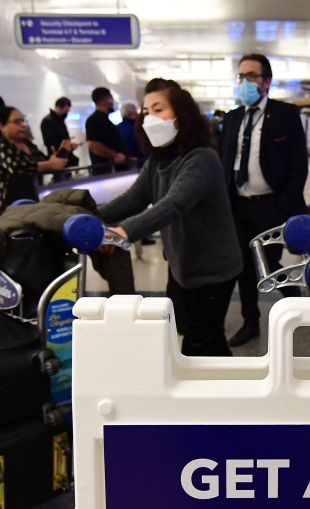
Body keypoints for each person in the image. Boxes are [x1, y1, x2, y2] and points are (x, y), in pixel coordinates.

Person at [97, 79, 242, 356]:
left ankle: (211, 396)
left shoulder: (201, 159)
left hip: (214, 271)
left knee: (196, 345)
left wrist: (122, 233)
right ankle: (231, 386)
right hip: (182, 268)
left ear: (181, 115)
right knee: (204, 335)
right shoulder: (158, 161)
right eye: (146, 111)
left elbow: (173, 204)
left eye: (159, 109)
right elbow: (133, 199)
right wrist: (89, 215)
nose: (150, 117)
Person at [220, 54, 308, 348]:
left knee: (267, 265)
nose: (245, 82)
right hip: (239, 204)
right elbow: (225, 161)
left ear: (266, 81)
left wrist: (286, 202)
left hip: (272, 205)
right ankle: (250, 322)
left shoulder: (285, 115)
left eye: (251, 76)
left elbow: (298, 163)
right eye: (241, 76)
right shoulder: (232, 118)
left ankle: (301, 311)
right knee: (242, 267)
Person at [0, 106, 69, 214]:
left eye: (23, 121)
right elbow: (17, 167)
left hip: (35, 203)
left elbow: (45, 161)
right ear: (2, 126)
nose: (23, 125)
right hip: (11, 208)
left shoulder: (28, 145)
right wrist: (49, 164)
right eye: (17, 122)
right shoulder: (0, 146)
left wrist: (59, 156)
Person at [85, 87, 128, 173]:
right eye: (111, 98)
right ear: (105, 100)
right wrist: (115, 155)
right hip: (106, 171)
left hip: (113, 170)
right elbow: (93, 144)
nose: (113, 102)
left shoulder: (104, 120)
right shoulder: (94, 120)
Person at [40, 97, 79, 170]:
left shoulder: (59, 121)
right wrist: (67, 145)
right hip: (58, 158)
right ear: (58, 107)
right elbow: (49, 141)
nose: (66, 114)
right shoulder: (48, 121)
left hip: (67, 157)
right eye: (65, 111)